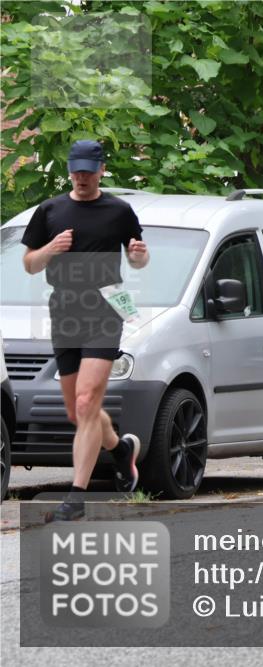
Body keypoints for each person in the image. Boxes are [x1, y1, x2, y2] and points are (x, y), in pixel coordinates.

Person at [21, 140, 149, 521]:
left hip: (104, 308)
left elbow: (137, 258)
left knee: (85, 402)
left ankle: (76, 498)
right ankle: (120, 451)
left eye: (88, 170)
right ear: (69, 169)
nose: (81, 176)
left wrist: (140, 258)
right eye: (76, 169)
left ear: (101, 170)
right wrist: (51, 251)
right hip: (64, 309)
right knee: (79, 413)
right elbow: (29, 264)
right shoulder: (50, 210)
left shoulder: (119, 210)